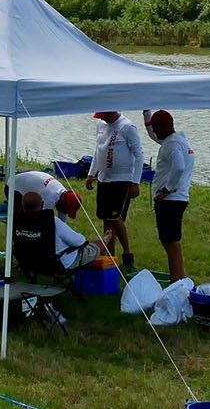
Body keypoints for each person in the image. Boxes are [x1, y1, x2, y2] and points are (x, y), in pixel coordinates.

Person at [84, 110, 142, 270]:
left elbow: (139, 155)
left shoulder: (127, 127)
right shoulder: (101, 125)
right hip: (104, 179)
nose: (101, 118)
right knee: (106, 218)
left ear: (112, 112)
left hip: (122, 180)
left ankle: (128, 254)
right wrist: (91, 174)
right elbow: (98, 151)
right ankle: (110, 257)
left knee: (116, 217)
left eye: (103, 115)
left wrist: (135, 181)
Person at [146, 110, 193, 282]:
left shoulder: (171, 145)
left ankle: (177, 282)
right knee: (172, 242)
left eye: (156, 128)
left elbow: (179, 167)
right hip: (179, 198)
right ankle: (179, 278)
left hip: (170, 201)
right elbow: (154, 136)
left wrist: (166, 190)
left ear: (164, 127)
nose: (155, 132)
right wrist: (146, 113)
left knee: (170, 243)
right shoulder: (181, 141)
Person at [19, 190, 100, 270]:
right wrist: (83, 238)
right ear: (42, 204)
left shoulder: (17, 221)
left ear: (22, 206)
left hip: (29, 262)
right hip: (57, 263)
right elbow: (78, 241)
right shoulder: (52, 221)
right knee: (98, 246)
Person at [10, 169, 84, 220]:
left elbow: (62, 221)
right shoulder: (50, 198)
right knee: (27, 218)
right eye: (65, 210)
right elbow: (42, 221)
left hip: (24, 184)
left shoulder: (63, 193)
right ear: (62, 203)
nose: (64, 212)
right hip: (13, 187)